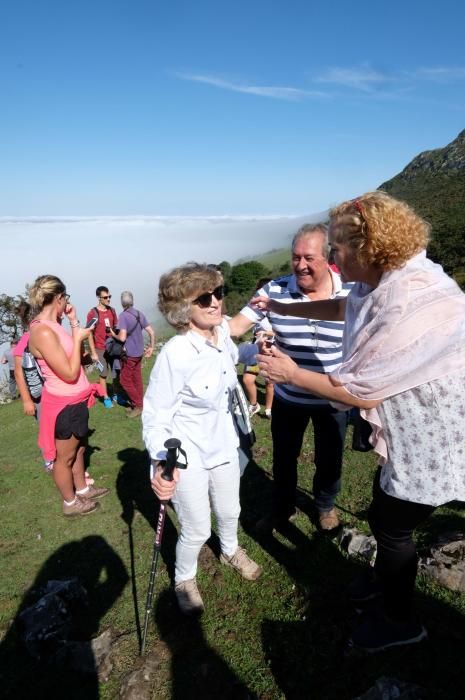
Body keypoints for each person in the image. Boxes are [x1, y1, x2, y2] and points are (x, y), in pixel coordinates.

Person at [256, 191, 465, 652]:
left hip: (436, 433)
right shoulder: (384, 283)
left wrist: (291, 374)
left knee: (393, 525)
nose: (332, 258)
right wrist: (288, 308)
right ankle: (381, 580)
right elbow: (347, 307)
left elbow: (359, 390)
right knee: (383, 503)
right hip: (414, 426)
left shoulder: (407, 299)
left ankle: (399, 621)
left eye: (337, 248)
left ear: (368, 247)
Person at [143, 263, 262, 616]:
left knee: (230, 511)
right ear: (183, 309)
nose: (216, 303)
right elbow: (156, 414)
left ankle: (229, 551)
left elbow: (231, 357)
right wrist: (161, 463)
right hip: (188, 456)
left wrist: (256, 351)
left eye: (218, 293)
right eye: (204, 298)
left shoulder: (221, 334)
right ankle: (184, 578)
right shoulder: (175, 354)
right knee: (195, 528)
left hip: (225, 445)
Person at [228, 224, 352, 532]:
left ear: (327, 257)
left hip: (333, 397)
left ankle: (325, 506)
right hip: (287, 397)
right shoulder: (274, 289)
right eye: (295, 257)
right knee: (284, 458)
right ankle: (282, 508)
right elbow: (235, 327)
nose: (300, 265)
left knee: (330, 458)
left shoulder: (352, 290)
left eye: (309, 257)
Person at [28, 275, 110, 516]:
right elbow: (69, 372)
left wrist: (74, 322)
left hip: (75, 400)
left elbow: (76, 358)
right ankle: (70, 503)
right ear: (59, 297)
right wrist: (76, 337)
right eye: (66, 298)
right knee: (63, 459)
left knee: (79, 450)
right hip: (64, 405)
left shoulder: (55, 326)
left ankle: (82, 490)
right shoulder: (42, 332)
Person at [116, 291, 155, 418]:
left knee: (125, 380)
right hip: (139, 352)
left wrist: (112, 334)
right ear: (132, 301)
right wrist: (151, 347)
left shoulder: (122, 316)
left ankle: (138, 405)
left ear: (122, 302)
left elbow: (122, 338)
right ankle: (140, 403)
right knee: (136, 378)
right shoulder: (139, 314)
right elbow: (151, 332)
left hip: (130, 354)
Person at [86, 285, 118, 408]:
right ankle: (105, 397)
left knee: (116, 372)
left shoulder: (112, 311)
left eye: (110, 296)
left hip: (113, 347)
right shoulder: (93, 313)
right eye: (105, 297)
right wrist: (93, 352)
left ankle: (115, 393)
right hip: (99, 349)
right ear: (99, 298)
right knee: (103, 374)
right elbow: (89, 333)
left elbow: (116, 327)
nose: (108, 299)